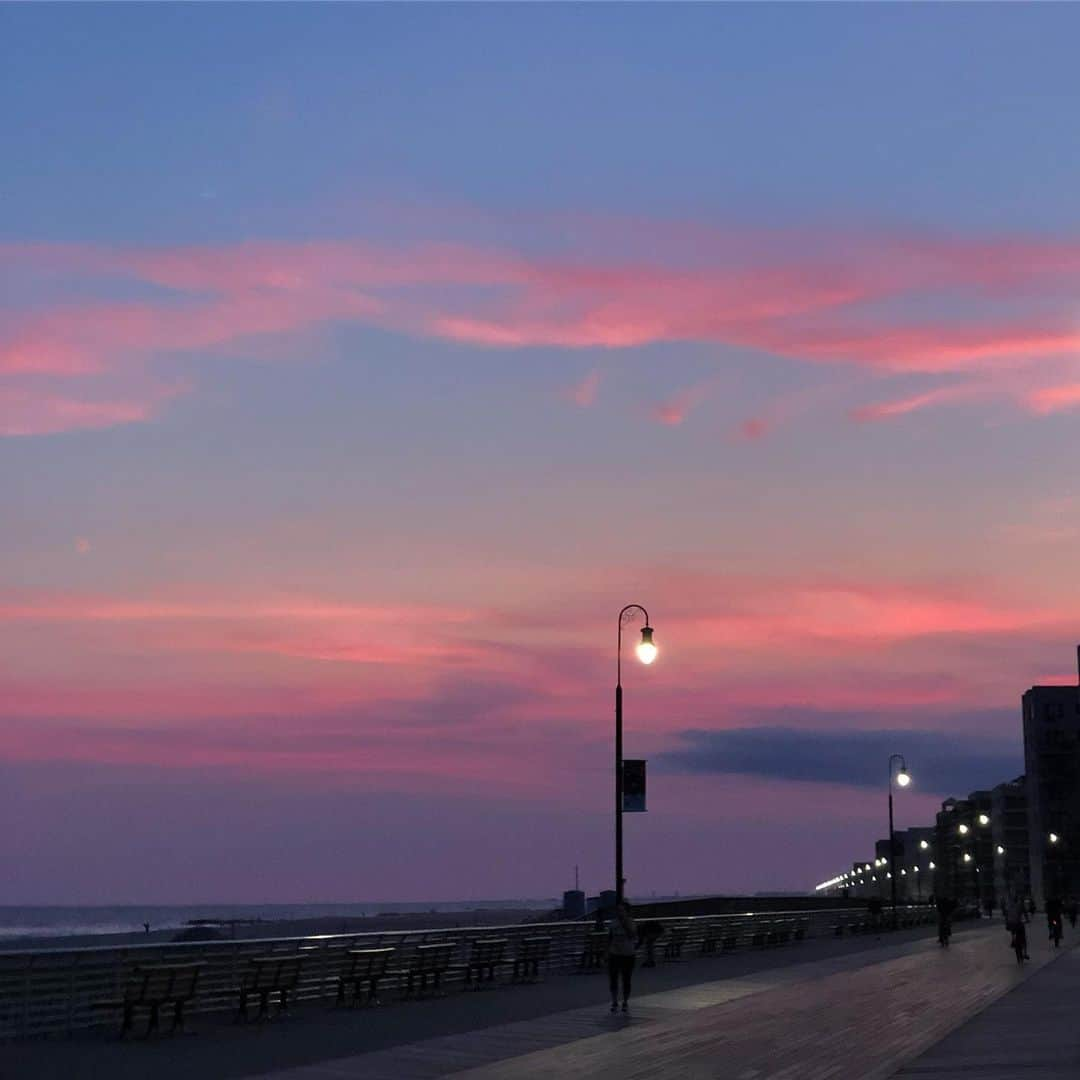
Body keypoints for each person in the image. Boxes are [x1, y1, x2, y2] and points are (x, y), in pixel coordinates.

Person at [607, 900, 638, 1013]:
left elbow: (632, 935)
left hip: (628, 954)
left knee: (626, 979)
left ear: (627, 912)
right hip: (614, 954)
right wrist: (606, 952)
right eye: (618, 910)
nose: (619, 913)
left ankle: (625, 1002)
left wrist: (624, 923)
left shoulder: (631, 922)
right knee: (613, 979)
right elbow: (610, 937)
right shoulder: (613, 923)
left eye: (621, 910)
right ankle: (614, 1001)